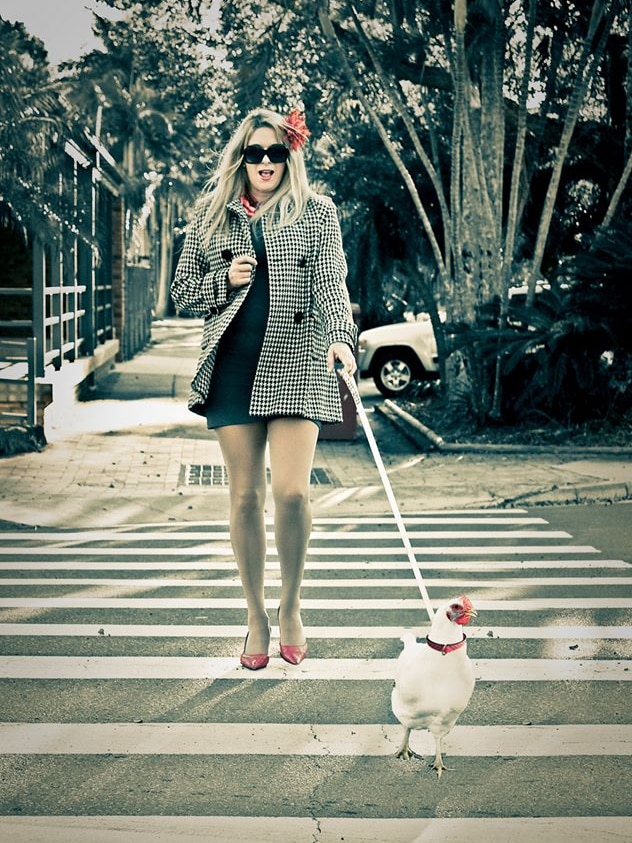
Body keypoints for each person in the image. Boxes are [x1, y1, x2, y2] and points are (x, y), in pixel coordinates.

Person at [171, 107, 357, 670]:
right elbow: (181, 293)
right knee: (246, 496)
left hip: (298, 361)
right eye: (256, 152)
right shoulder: (210, 216)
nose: (266, 162)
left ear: (290, 157)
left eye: (277, 153)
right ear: (242, 157)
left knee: (293, 493)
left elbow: (331, 285)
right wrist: (220, 280)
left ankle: (291, 603)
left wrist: (342, 339)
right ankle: (255, 614)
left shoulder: (316, 213)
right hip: (231, 368)